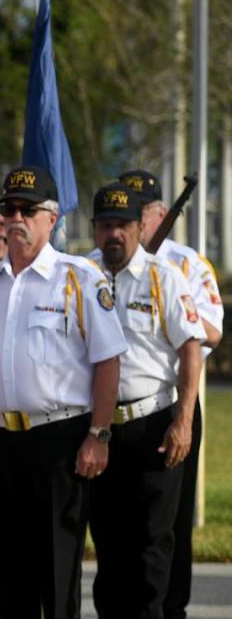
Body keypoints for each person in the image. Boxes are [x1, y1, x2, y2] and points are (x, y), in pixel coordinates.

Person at [0, 166, 128, 619]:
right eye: (9, 208)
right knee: (10, 572)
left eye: (27, 209)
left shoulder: (80, 278)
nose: (15, 217)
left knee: (57, 574)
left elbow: (108, 360)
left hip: (59, 442)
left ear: (51, 218)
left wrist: (99, 434)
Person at [87, 183, 204, 618]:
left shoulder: (164, 277)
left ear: (139, 228)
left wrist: (184, 420)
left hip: (152, 423)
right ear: (95, 229)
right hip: (99, 429)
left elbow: (190, 349)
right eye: (105, 225)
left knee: (154, 544)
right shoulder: (81, 276)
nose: (113, 233)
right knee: (108, 540)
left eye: (122, 225)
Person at [118, 169, 224, 619]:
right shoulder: (104, 261)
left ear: (162, 214)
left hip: (171, 402)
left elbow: (213, 331)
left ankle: (170, 608)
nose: (136, 223)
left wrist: (164, 300)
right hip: (114, 406)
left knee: (171, 522)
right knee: (117, 521)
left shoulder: (187, 264)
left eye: (142, 214)